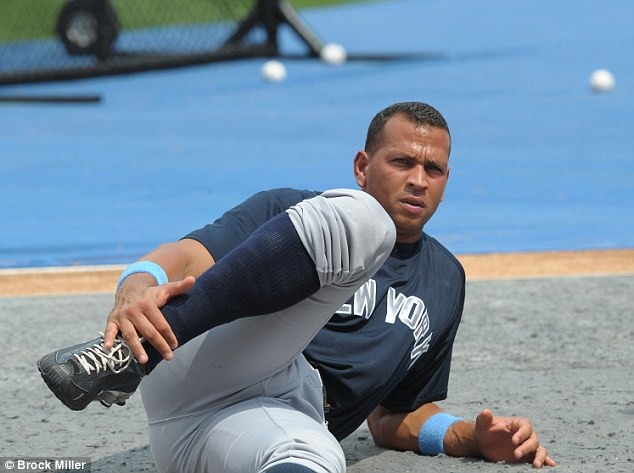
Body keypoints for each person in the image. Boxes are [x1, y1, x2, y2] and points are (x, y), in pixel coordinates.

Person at [37, 102, 556, 473]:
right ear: (363, 166)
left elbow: (393, 416)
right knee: (365, 222)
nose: (418, 179)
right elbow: (190, 256)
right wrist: (137, 283)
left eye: (433, 169)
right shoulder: (295, 213)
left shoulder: (445, 279)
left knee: (320, 457)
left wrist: (467, 437)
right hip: (192, 357)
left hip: (244, 430)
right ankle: (127, 356)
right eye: (402, 162)